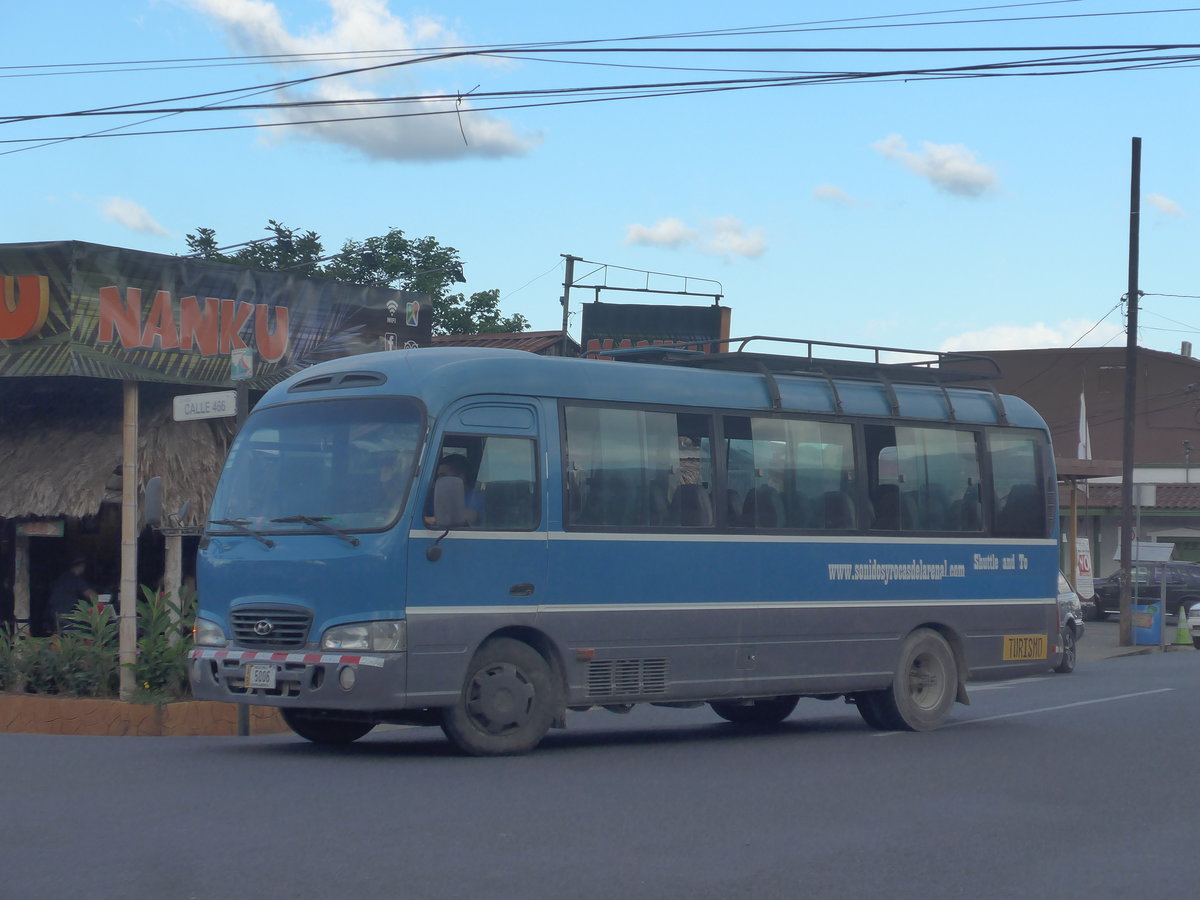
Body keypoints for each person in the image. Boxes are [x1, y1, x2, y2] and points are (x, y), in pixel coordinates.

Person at [423, 453, 482, 527]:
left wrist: (428, 520)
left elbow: (471, 516)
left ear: (460, 477)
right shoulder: (435, 494)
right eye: (438, 476)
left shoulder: (476, 496)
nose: (438, 480)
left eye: (443, 475)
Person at [47, 556, 99, 632]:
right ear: (81, 566)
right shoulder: (75, 579)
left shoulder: (62, 577)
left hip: (55, 615)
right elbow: (92, 596)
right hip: (67, 616)